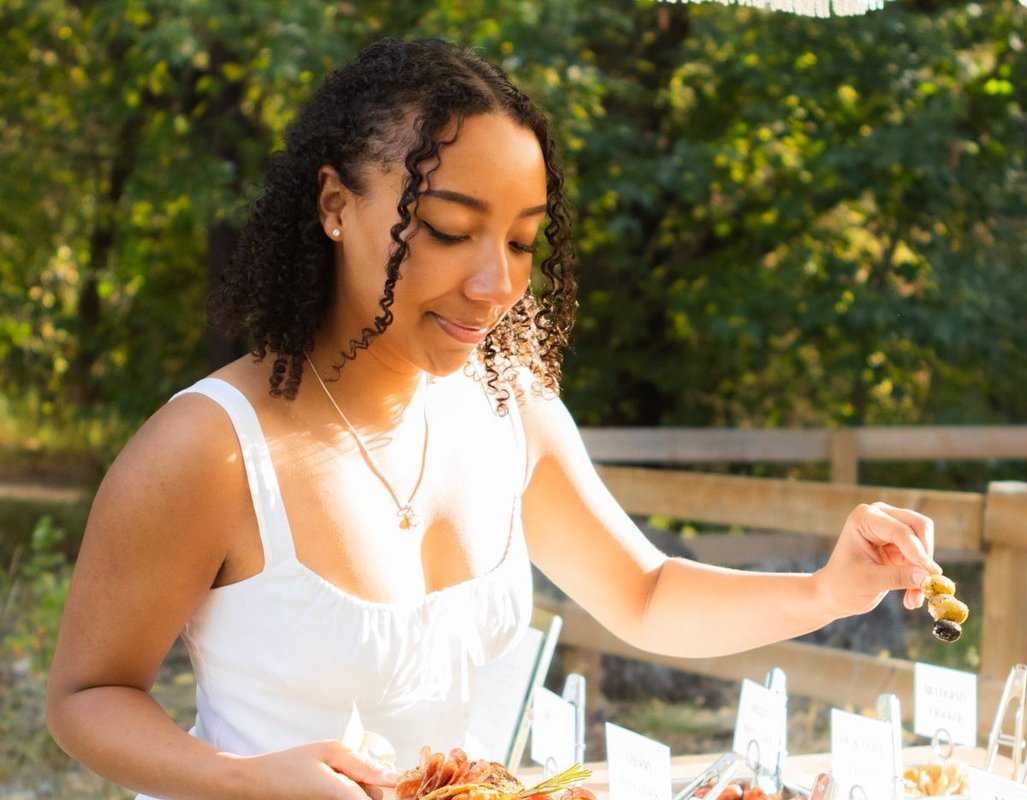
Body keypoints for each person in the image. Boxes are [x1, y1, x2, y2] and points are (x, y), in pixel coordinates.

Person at [44, 38, 941, 800]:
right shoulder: (207, 449)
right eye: (447, 229)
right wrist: (248, 780)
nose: (497, 283)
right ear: (334, 206)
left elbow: (646, 595)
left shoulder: (514, 410)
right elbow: (86, 698)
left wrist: (828, 591)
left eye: (519, 241)